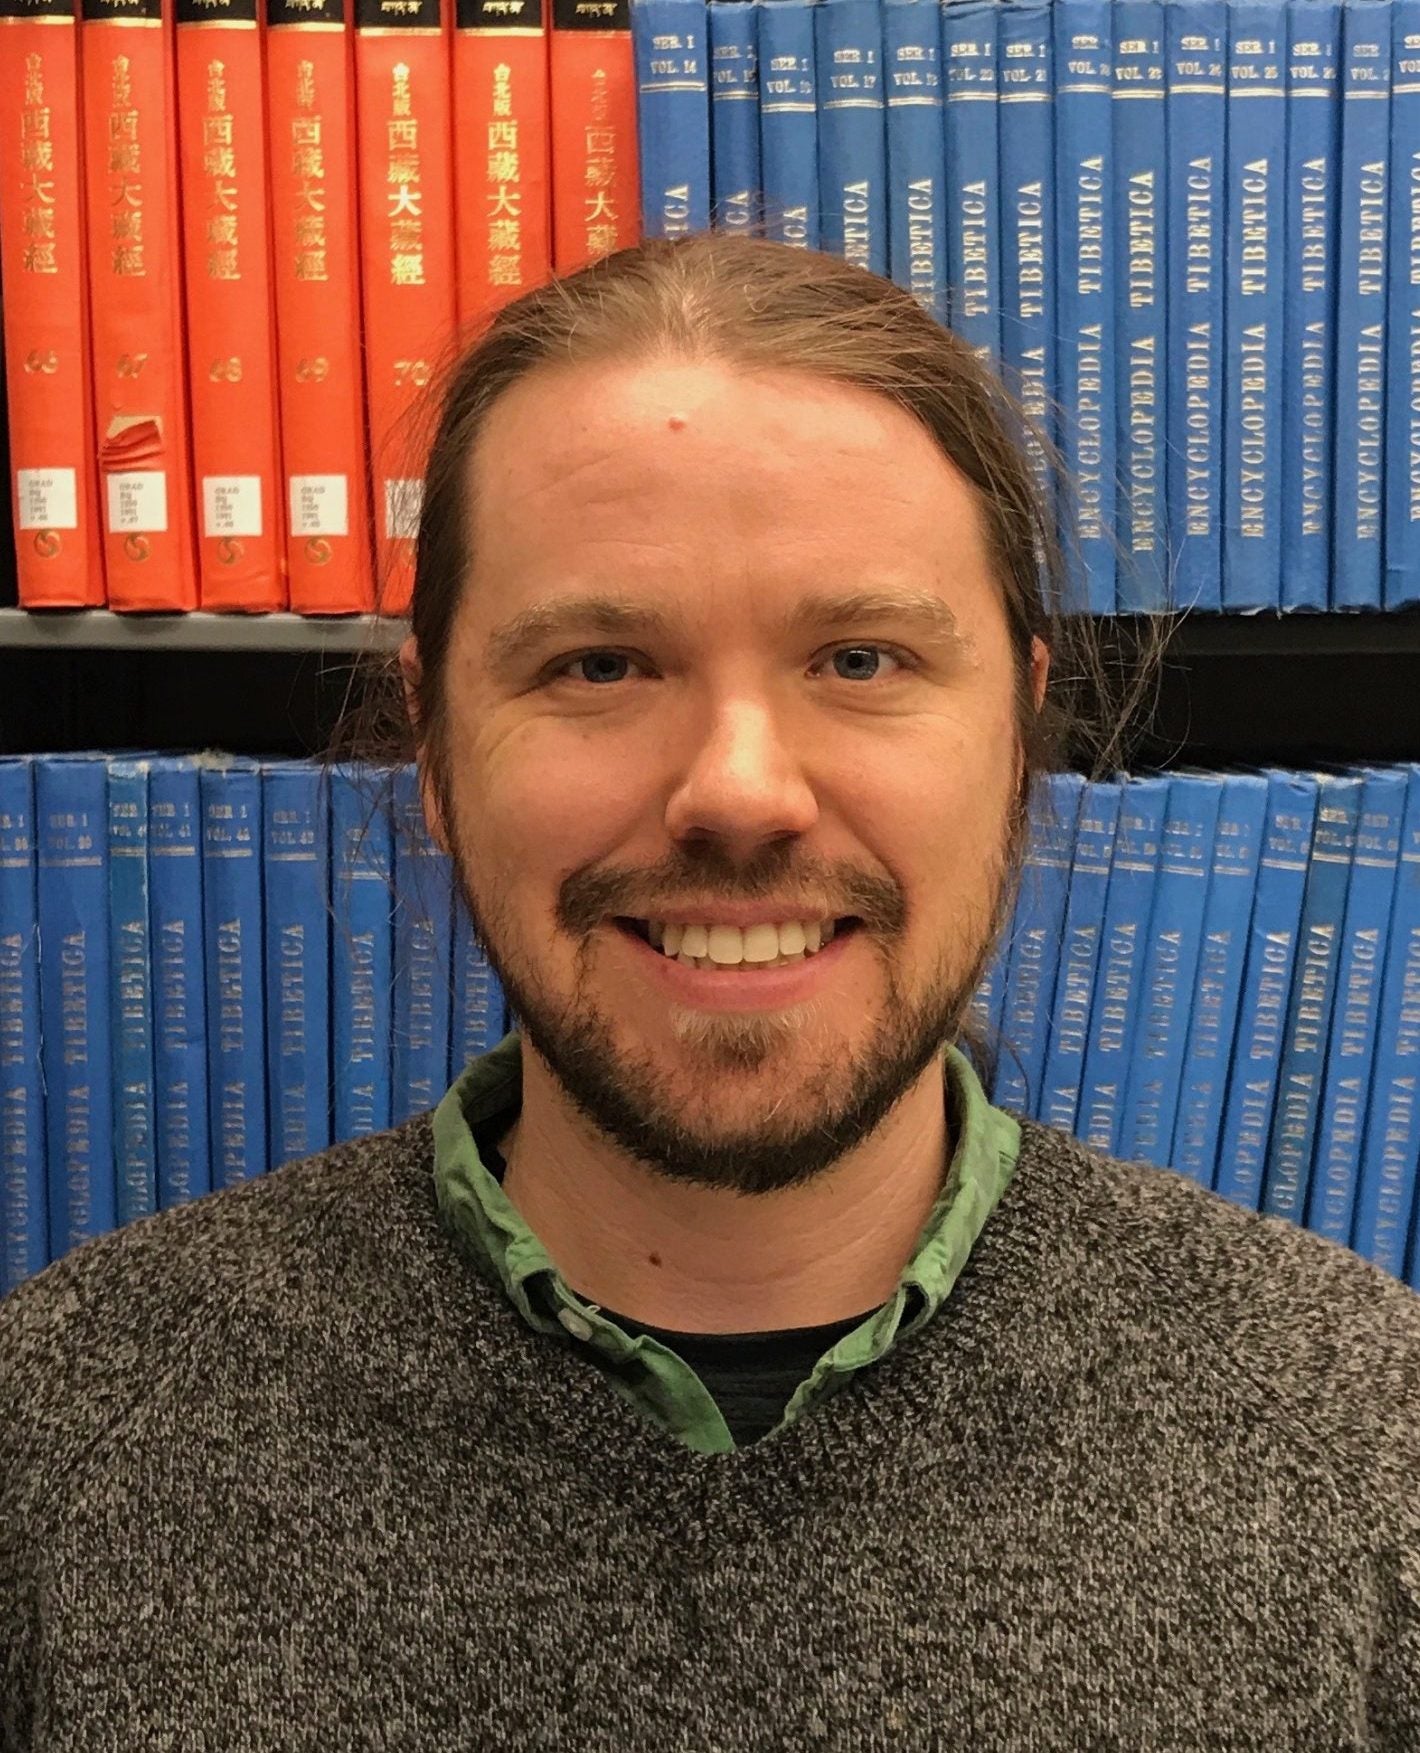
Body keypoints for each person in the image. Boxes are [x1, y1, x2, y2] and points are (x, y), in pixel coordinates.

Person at [2, 234, 1418, 1749]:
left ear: (1017, 736)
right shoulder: (63, 1437)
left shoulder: (1363, 1435)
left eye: (859, 659)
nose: (740, 793)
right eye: (601, 666)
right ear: (434, 751)